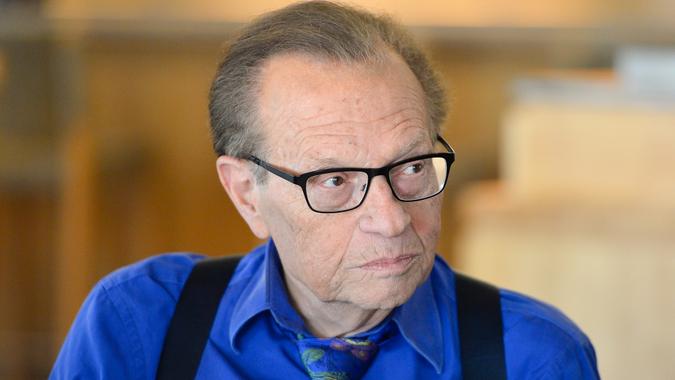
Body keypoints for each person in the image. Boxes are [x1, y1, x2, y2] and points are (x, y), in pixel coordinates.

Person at [51, 1, 600, 379]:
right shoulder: (139, 326)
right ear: (246, 193)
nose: (390, 221)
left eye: (411, 167)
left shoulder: (532, 357)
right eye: (334, 181)